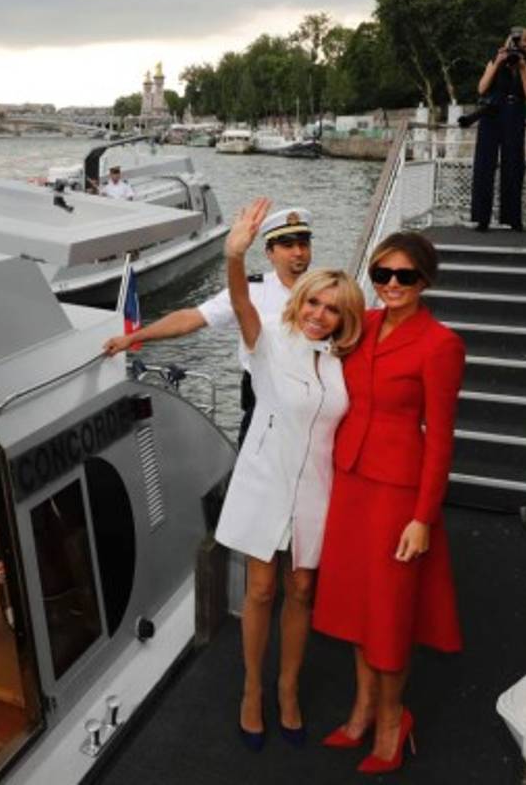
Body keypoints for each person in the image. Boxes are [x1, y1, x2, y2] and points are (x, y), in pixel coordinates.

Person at [312, 232, 465, 774]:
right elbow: (303, 326)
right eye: (382, 275)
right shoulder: (361, 326)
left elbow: (441, 439)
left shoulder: (441, 344)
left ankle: (392, 718)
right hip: (350, 481)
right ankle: (362, 708)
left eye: (405, 276)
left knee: (391, 612)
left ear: (425, 279)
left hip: (398, 493)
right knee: (360, 607)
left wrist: (423, 517)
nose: (392, 285)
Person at [216, 197, 363, 752]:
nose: (318, 314)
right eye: (312, 303)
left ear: (343, 316)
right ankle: (252, 690)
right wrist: (235, 255)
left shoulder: (342, 361)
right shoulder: (269, 342)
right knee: (260, 590)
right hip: (265, 481)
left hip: (317, 492)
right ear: (298, 302)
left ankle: (288, 689)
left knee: (301, 589)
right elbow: (239, 301)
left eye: (331, 308)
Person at [104, 207, 314, 446]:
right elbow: (191, 318)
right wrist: (133, 337)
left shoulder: (327, 292)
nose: (298, 252)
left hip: (313, 400)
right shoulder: (252, 291)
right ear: (269, 252)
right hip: (264, 399)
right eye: (288, 246)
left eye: (304, 244)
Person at [470, 27, 526, 232]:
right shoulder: (496, 59)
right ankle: (481, 218)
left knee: (513, 165)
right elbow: (482, 88)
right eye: (519, 41)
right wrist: (499, 62)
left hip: (514, 113)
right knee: (484, 164)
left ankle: (513, 218)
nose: (523, 44)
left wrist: (522, 68)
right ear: (510, 41)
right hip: (491, 113)